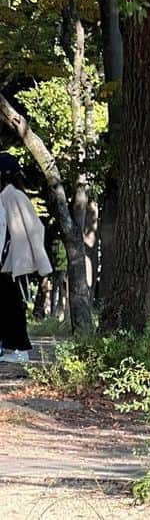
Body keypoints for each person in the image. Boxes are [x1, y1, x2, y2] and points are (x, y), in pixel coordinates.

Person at [0, 153, 52, 366]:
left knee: (12, 305)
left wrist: (37, 260)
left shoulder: (14, 197)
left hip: (11, 262)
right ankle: (9, 346)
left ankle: (19, 348)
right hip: (5, 262)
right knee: (6, 305)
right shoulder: (5, 196)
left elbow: (34, 228)